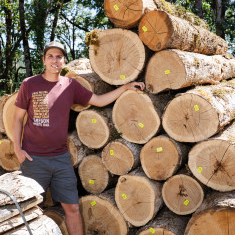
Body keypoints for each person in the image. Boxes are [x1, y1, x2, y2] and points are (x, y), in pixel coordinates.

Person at [13, 41, 145, 235]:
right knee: (30, 210)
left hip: (60, 159)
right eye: (50, 56)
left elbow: (99, 101)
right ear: (43, 60)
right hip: (34, 159)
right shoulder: (29, 84)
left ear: (64, 61)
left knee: (72, 209)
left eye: (59, 56)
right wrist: (18, 149)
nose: (54, 60)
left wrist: (125, 87)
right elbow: (17, 119)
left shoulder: (70, 85)